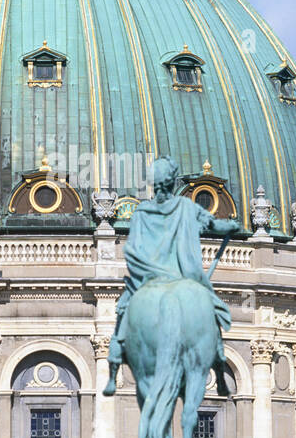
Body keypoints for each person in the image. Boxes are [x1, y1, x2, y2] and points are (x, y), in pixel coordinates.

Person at [103, 157, 240, 397]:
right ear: (170, 182)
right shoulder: (185, 207)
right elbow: (213, 225)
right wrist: (230, 227)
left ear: (154, 184)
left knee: (122, 312)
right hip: (179, 274)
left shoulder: (143, 211)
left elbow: (132, 250)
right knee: (211, 312)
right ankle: (219, 368)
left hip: (151, 276)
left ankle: (113, 367)